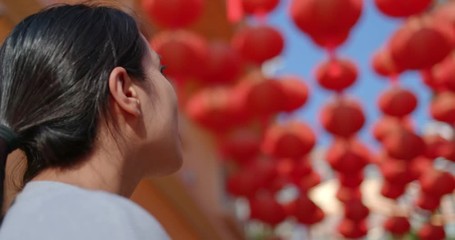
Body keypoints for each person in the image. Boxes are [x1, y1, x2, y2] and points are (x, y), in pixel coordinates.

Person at [0, 3, 182, 240]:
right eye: (162, 70)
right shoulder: (109, 223)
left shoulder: (21, 222)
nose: (173, 90)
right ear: (126, 91)